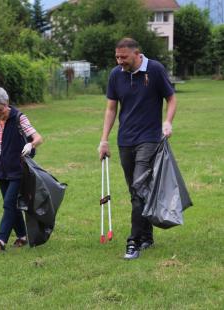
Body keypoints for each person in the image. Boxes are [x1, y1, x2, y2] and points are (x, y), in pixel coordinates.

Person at [98, 38, 177, 260]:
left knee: (139, 187)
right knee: (137, 192)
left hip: (149, 139)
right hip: (125, 140)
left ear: (136, 54)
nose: (119, 61)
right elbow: (111, 108)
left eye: (123, 57)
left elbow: (171, 98)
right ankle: (147, 237)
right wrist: (104, 140)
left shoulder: (155, 69)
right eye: (117, 57)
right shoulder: (116, 74)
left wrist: (168, 122)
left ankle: (133, 241)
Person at [0, 86, 43, 254]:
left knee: (8, 204)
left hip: (18, 169)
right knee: (11, 205)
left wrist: (30, 144)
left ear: (6, 104)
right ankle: (22, 236)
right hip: (0, 170)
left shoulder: (19, 118)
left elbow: (38, 137)